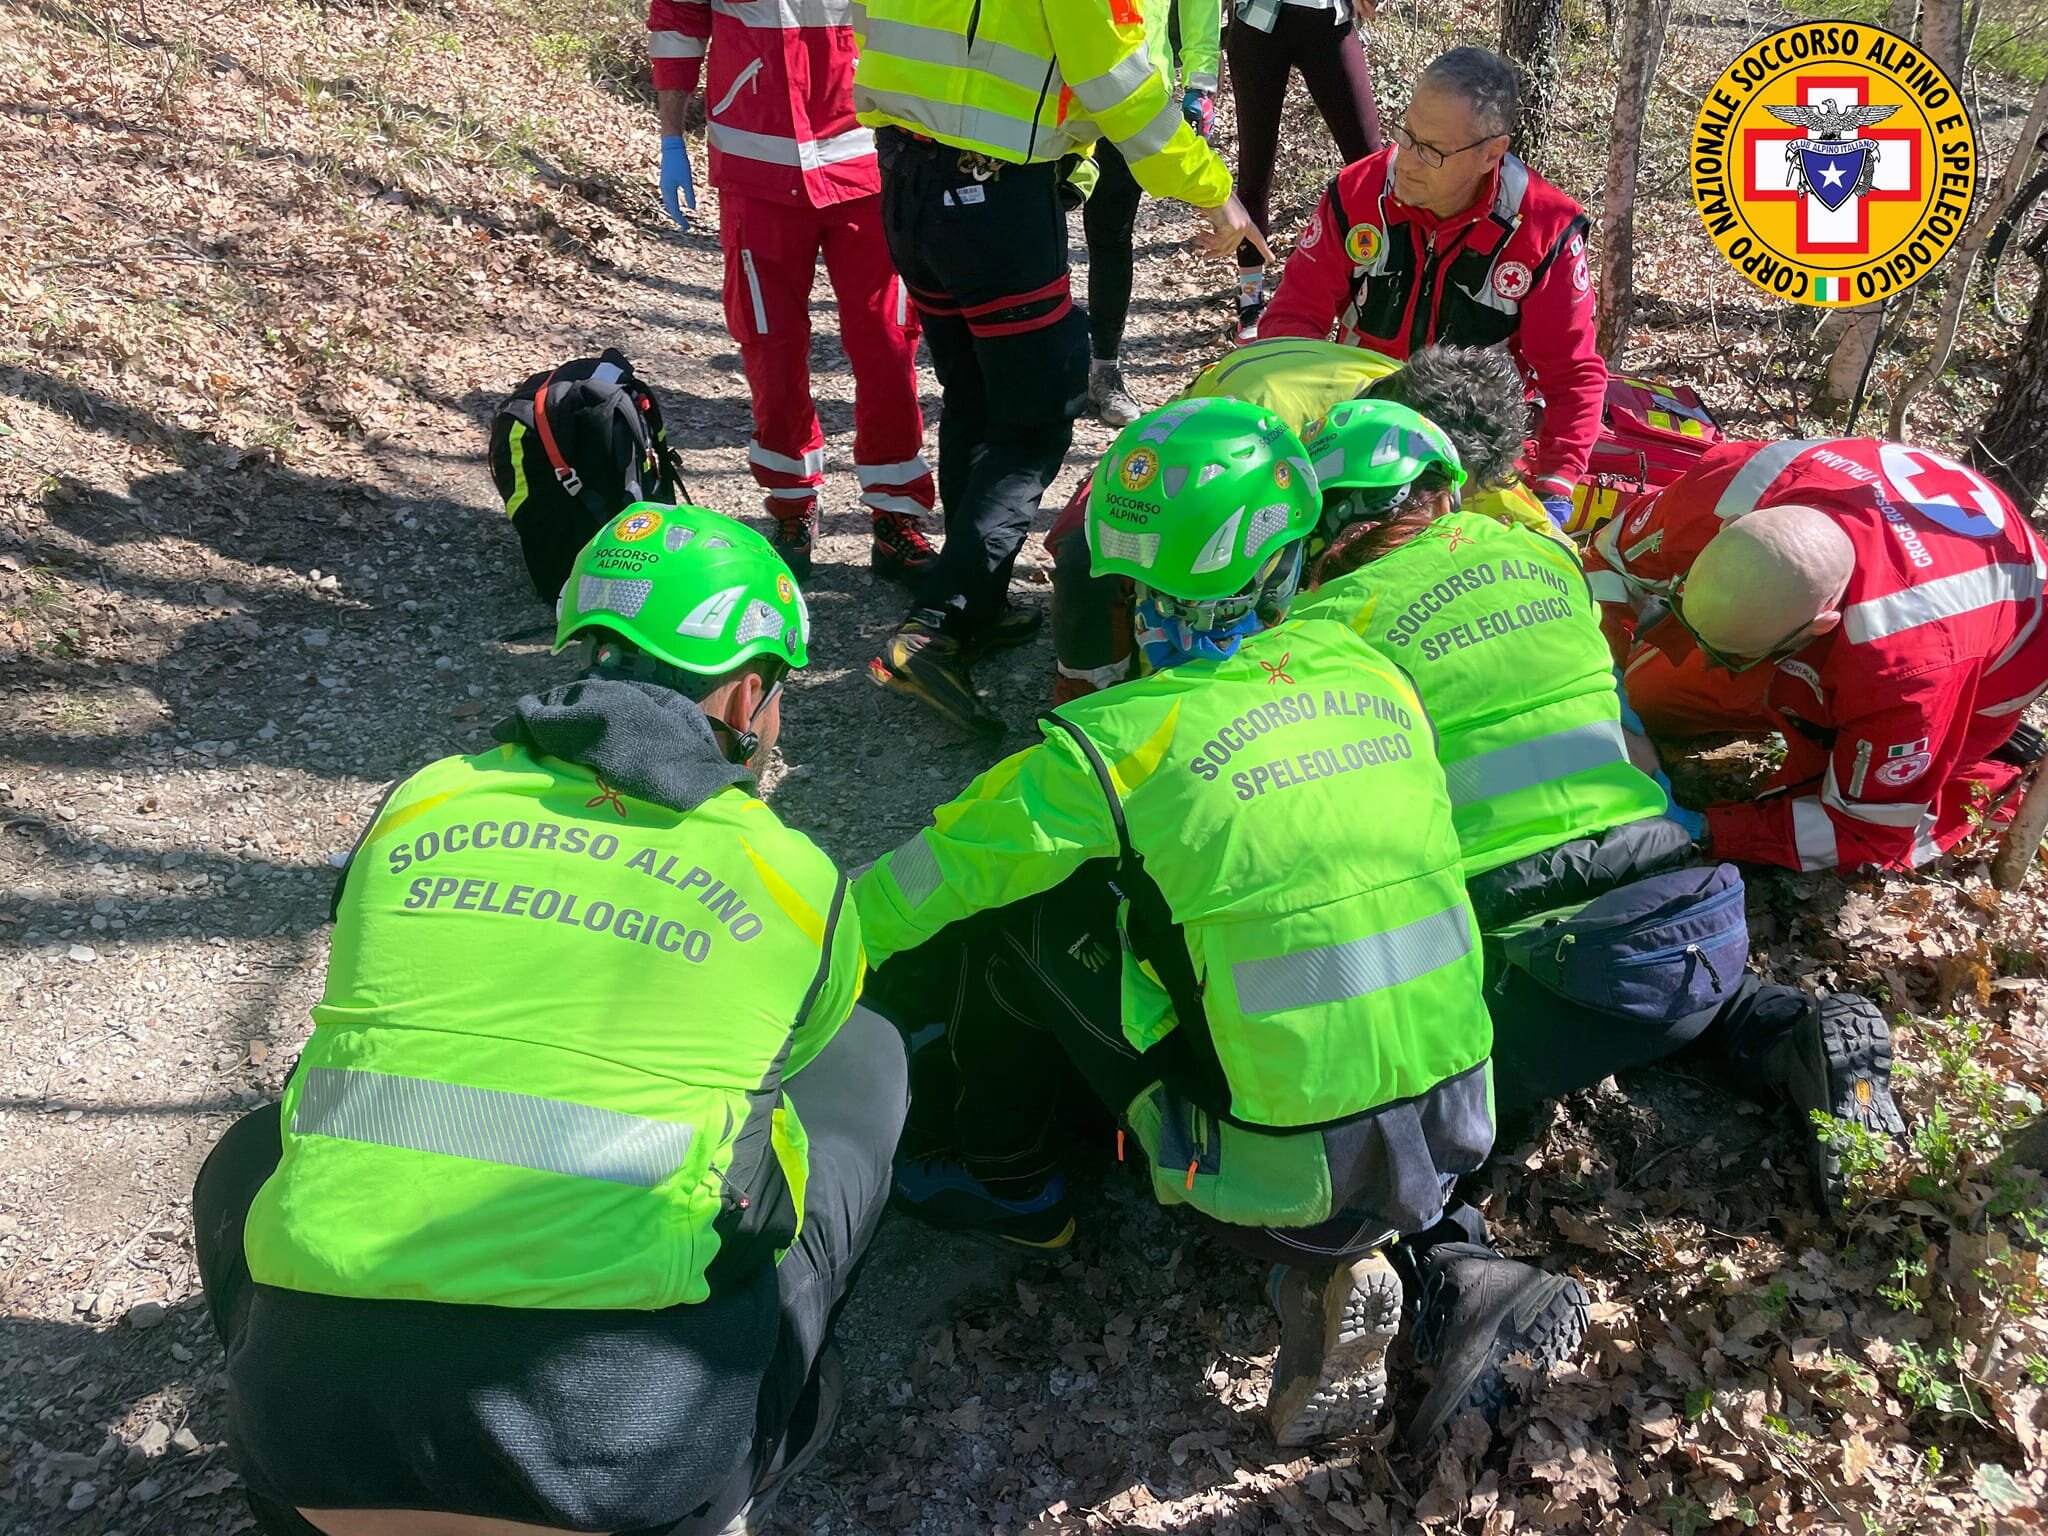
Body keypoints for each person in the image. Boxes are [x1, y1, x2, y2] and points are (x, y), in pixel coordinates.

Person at [858, 398, 1585, 1449]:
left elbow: (905, 894)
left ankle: (1013, 1185)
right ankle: (1392, 1253)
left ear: (1128, 573)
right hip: (1455, 1120)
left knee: (1016, 912)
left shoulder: (1103, 749)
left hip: (1272, 1162)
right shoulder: (1374, 673)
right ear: (1289, 560)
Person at [192, 506, 904, 1536]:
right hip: (624, 1474)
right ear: (748, 694)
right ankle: (766, 1440)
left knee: (258, 1147)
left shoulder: (422, 802)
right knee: (858, 1076)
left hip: (309, 1453)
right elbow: (797, 1073)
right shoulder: (790, 876)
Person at [1289, 402, 1907, 1240]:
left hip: (1531, 968)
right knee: (1672, 992)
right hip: (1691, 917)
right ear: (1444, 491)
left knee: (1401, 1099)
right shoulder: (1543, 555)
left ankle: (1451, 1264)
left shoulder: (1320, 629)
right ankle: (1785, 1026)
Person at [851, 0, 1266, 736]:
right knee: (1037, 413)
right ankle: (938, 626)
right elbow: (1119, 81)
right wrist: (1212, 190)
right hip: (993, 196)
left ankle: (977, 604)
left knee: (976, 392)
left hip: (906, 180)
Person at [1584, 436, 2048, 874]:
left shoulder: (1910, 669)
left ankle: (1987, 771)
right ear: (1723, 531)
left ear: (1821, 625)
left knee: (1834, 808)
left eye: (1731, 657)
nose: (1705, 665)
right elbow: (1607, 562)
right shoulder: (1726, 485)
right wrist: (1610, 693)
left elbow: (1863, 830)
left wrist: (1703, 830)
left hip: (1993, 661)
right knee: (1652, 692)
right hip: (1873, 587)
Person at [1046, 342, 1560, 703]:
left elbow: (1546, 548)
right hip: (1183, 465)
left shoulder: (1458, 441)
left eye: (1450, 489)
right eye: (1421, 486)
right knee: (1089, 555)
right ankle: (1084, 693)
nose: (1438, 501)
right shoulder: (1258, 420)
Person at [1258, 45, 1605, 527]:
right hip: (1355, 427)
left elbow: (1571, 375)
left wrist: (1557, 484)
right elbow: (1293, 325)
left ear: (1491, 154)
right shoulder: (1356, 195)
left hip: (1473, 460)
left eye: (1432, 151)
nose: (1406, 161)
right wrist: (1280, 432)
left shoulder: (1545, 231)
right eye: (1405, 134)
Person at [650, 0, 936, 584]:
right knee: (768, 343)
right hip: (756, 169)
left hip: (868, 162)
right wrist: (671, 136)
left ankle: (895, 514)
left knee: (888, 341)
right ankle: (789, 505)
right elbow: (677, 24)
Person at [1082, 0, 1224, 427]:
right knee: (1038, 228)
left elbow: (1200, 10)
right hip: (1058, 98)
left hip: (1138, 99)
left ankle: (1103, 368)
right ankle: (1034, 359)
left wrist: (1200, 86)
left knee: (1109, 234)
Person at [1226, 0, 1384, 340]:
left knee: (1373, 168)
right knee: (1254, 169)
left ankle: (1383, 283)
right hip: (1261, 23)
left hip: (1329, 23)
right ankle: (1250, 301)